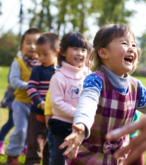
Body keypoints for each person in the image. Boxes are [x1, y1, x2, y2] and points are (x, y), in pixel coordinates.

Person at [59, 24, 146, 165]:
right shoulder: (95, 80)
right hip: (86, 157)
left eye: (133, 44)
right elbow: (88, 102)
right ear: (103, 53)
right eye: (124, 43)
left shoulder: (136, 87)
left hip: (116, 158)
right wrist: (81, 126)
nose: (132, 48)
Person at [48, 32, 90, 165]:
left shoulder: (87, 74)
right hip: (64, 125)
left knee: (80, 159)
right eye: (75, 49)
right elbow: (57, 103)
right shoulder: (59, 76)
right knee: (61, 159)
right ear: (63, 52)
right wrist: (78, 113)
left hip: (83, 126)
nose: (80, 53)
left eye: (83, 50)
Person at [6, 28, 41, 165]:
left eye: (36, 42)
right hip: (20, 103)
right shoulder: (18, 62)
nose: (32, 46)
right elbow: (13, 81)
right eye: (28, 43)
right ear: (22, 47)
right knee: (21, 130)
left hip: (37, 104)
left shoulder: (44, 64)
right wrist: (31, 86)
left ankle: (32, 157)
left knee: (35, 134)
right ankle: (12, 154)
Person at [24, 32, 59, 165]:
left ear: (56, 53)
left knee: (50, 146)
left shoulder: (60, 71)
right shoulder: (38, 70)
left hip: (54, 115)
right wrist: (40, 103)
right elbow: (31, 88)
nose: (41, 58)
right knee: (35, 144)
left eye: (45, 54)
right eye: (39, 54)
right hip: (38, 113)